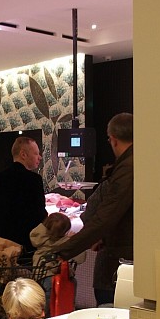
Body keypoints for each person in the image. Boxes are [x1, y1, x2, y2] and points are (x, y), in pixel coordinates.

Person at [50, 112, 133, 306]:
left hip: (120, 261)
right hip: (120, 255)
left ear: (113, 139)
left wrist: (62, 252)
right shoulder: (136, 163)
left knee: (108, 310)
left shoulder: (128, 168)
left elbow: (105, 217)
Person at [0, 136, 47, 256]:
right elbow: (39, 216)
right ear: (23, 154)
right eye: (36, 153)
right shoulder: (34, 180)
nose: (40, 157)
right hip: (22, 252)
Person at [30, 212, 85, 312]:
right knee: (56, 287)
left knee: (53, 287)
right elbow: (80, 258)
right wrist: (72, 239)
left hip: (41, 271)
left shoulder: (39, 236)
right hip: (47, 272)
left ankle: (51, 310)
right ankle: (48, 311)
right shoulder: (61, 242)